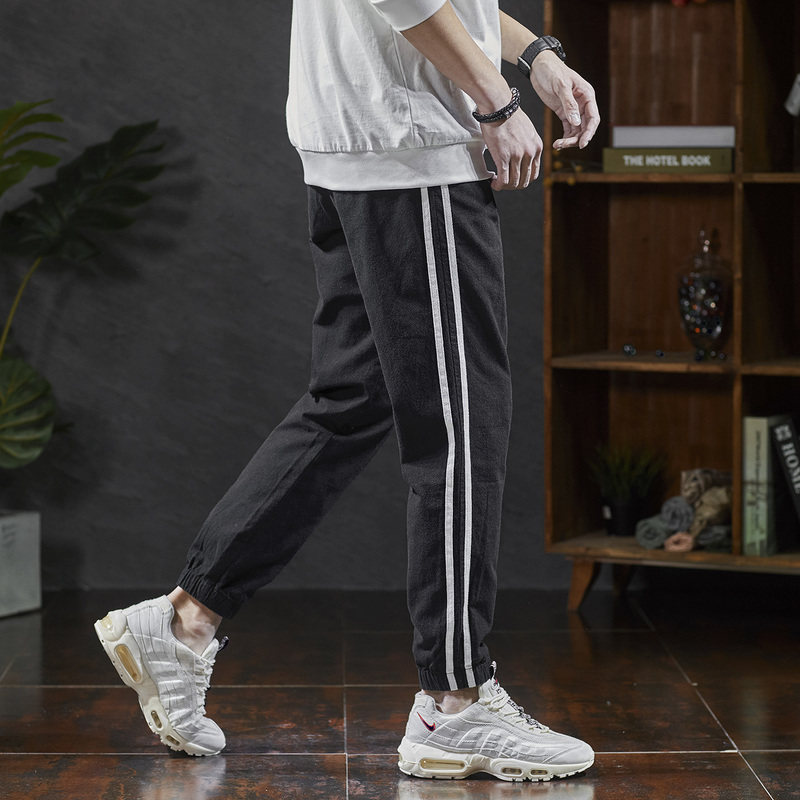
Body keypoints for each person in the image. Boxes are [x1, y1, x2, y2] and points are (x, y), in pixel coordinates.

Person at [95, 0, 600, 783]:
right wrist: (496, 100)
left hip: (361, 139)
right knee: (460, 425)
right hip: (415, 149)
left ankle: (186, 620)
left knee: (351, 398)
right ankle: (456, 700)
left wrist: (535, 54)